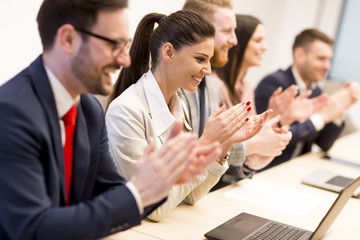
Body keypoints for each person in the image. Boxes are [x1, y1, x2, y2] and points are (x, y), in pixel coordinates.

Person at [0, 0, 221, 239]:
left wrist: (157, 183)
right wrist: (140, 192)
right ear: (68, 39)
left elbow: (112, 190)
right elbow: (33, 228)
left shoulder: (89, 110)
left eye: (125, 44)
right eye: (114, 44)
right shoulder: (11, 113)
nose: (125, 59)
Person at [105, 10, 268, 221]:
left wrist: (223, 145)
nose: (208, 70)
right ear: (169, 53)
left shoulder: (178, 104)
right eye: (200, 59)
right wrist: (206, 141)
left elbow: (191, 196)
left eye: (209, 60)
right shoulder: (126, 112)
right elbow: (152, 207)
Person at [181, 0, 272, 185]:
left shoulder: (211, 85)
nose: (234, 41)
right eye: (226, 31)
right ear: (196, 29)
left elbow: (206, 168)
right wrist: (246, 147)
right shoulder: (179, 88)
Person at [255, 28, 360, 169]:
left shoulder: (316, 91)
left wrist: (339, 108)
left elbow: (324, 144)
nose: (327, 66)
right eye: (321, 59)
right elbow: (272, 137)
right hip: (267, 170)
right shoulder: (275, 84)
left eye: (329, 60)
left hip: (296, 170)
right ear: (299, 55)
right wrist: (322, 117)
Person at [213, 14, 292, 179]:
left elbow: (250, 150)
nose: (265, 47)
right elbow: (217, 147)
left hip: (234, 177)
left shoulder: (246, 87)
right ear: (237, 44)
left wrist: (277, 122)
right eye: (258, 41)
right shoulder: (214, 85)